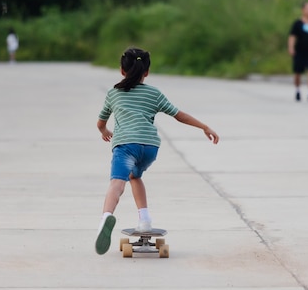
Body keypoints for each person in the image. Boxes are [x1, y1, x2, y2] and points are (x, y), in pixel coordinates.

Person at [94, 47, 220, 255]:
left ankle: (106, 218)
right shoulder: (154, 93)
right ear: (147, 72)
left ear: (121, 71)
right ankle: (144, 220)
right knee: (135, 176)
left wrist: (105, 130)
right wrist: (204, 126)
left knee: (117, 183)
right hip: (150, 147)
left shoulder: (114, 93)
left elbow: (100, 123)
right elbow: (179, 115)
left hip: (126, 145)